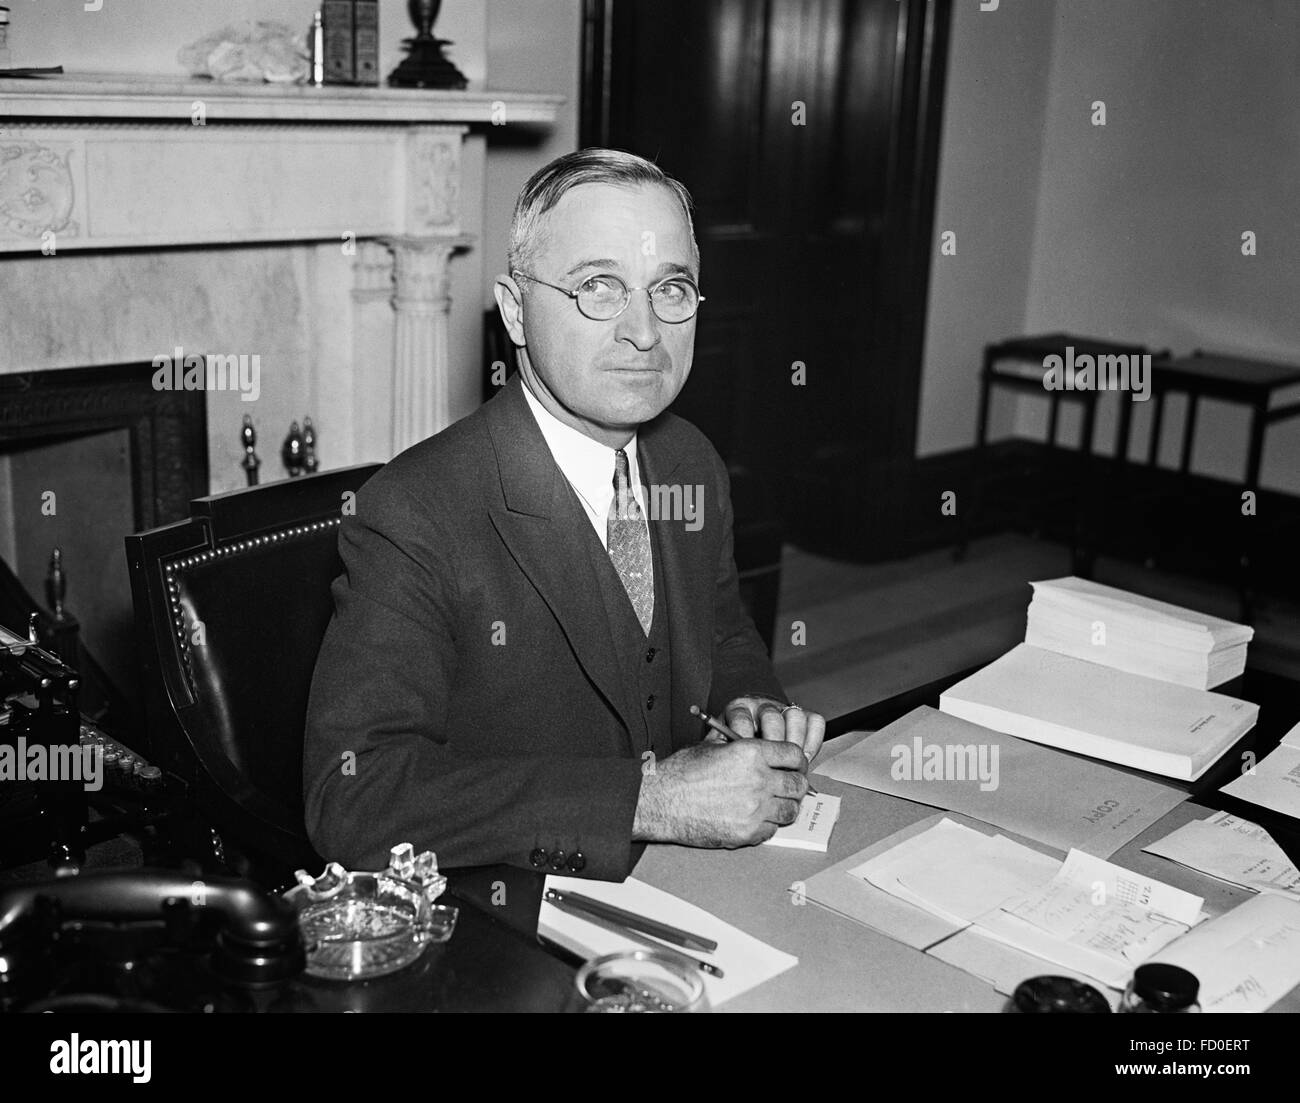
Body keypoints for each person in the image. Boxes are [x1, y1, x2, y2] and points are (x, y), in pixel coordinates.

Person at [304, 148, 825, 881]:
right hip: (510, 911)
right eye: (599, 288)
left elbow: (722, 626)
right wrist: (648, 800)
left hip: (690, 881)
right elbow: (353, 799)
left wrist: (750, 704)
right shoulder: (414, 512)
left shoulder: (689, 463)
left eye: (671, 288)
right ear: (515, 310)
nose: (645, 332)